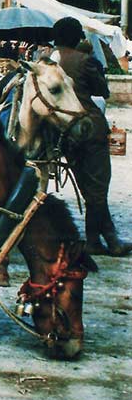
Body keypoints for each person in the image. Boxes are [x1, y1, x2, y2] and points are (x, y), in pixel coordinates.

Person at [52, 17, 131, 257]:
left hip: (62, 133)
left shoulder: (46, 62)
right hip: (89, 128)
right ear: (78, 37)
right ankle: (95, 241)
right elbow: (102, 91)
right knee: (97, 188)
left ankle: (111, 239)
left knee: (89, 188)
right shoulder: (85, 61)